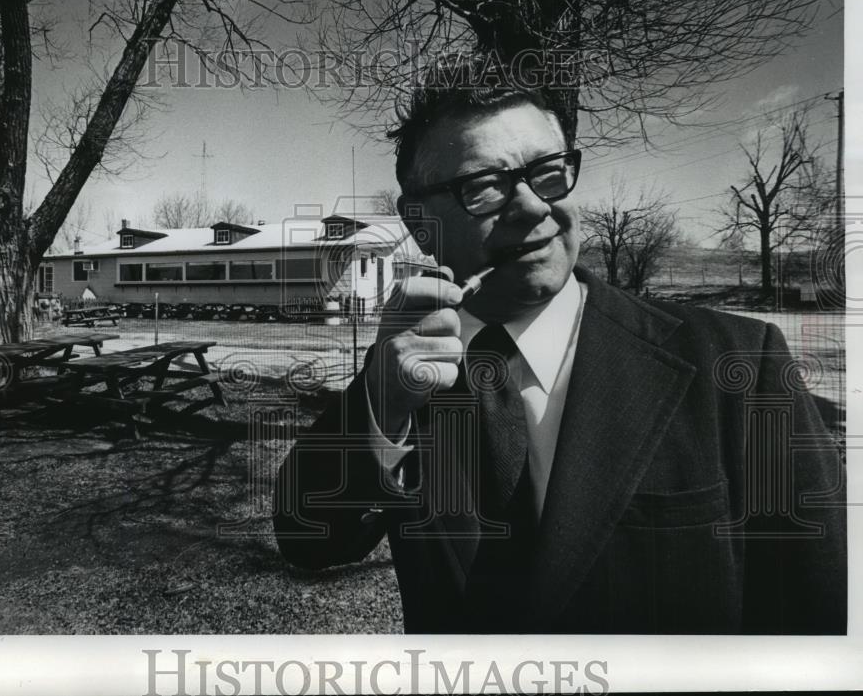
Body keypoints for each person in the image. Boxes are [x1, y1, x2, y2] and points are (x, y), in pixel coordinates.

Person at [273, 54, 846, 634]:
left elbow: (818, 609)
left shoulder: (739, 361)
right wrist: (381, 408)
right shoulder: (405, 367)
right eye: (484, 186)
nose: (531, 205)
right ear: (420, 221)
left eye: (548, 171)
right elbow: (306, 536)